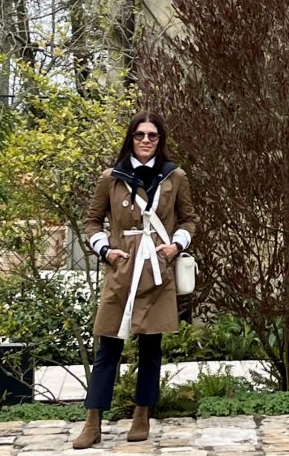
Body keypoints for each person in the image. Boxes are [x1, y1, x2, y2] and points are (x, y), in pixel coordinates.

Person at [72, 111, 196, 449]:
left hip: (157, 269)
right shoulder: (111, 178)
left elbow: (188, 219)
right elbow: (92, 221)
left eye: (152, 135)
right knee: (108, 345)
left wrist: (175, 246)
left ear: (160, 140)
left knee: (151, 347)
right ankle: (93, 421)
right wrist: (106, 250)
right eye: (140, 134)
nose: (145, 140)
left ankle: (142, 413)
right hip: (122, 270)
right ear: (131, 138)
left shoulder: (174, 176)